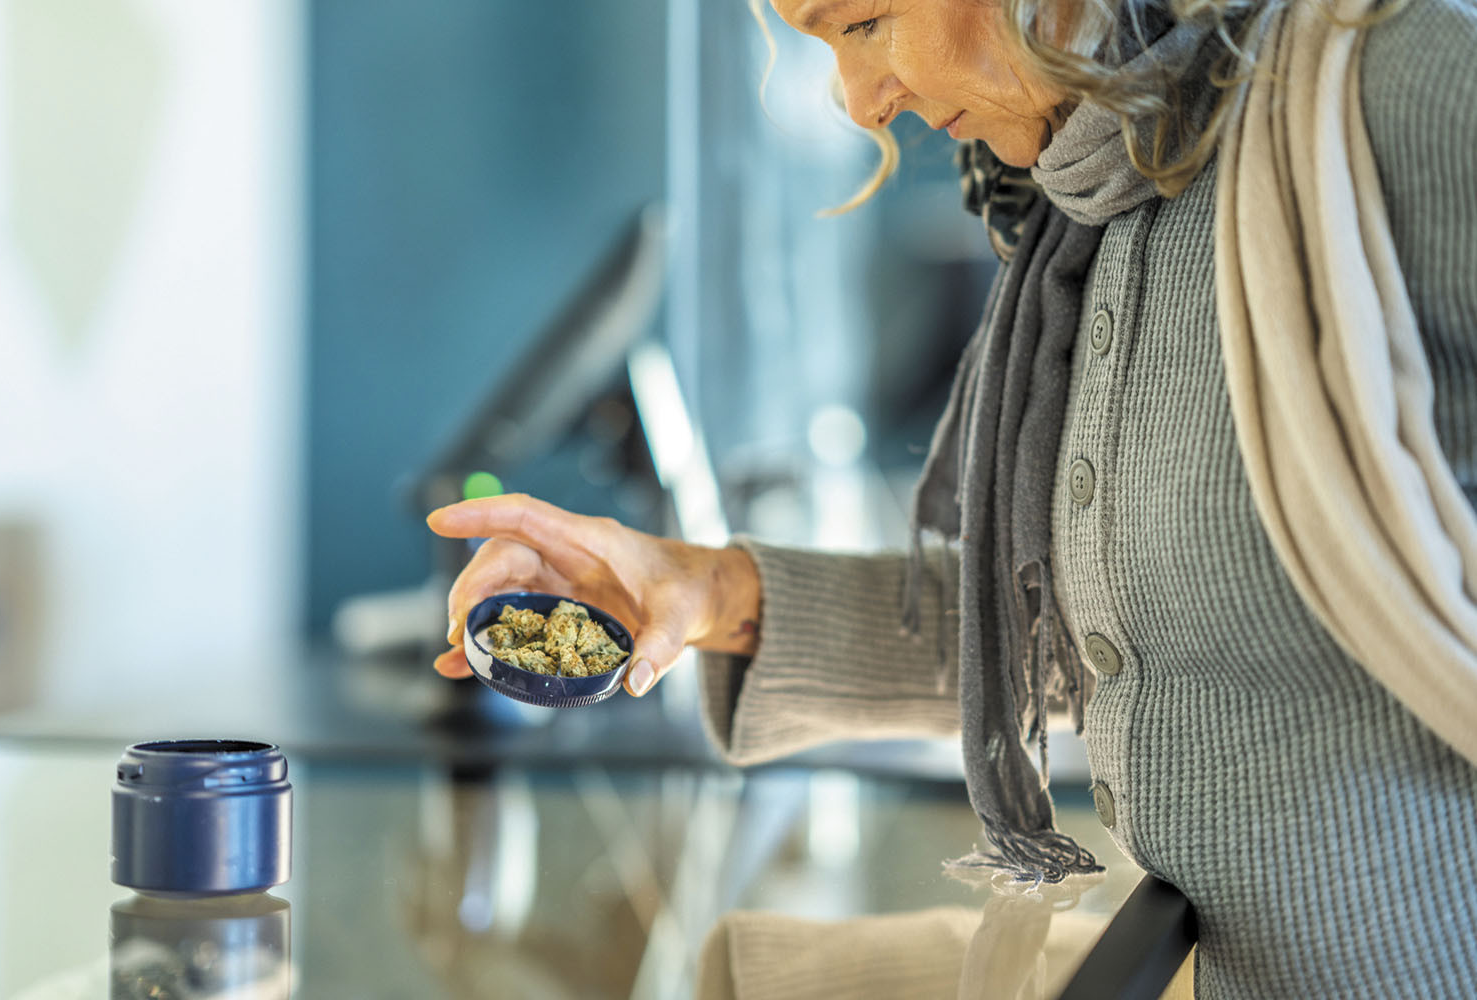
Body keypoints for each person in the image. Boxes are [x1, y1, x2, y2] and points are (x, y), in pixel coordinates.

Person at [427, 0, 1477, 994]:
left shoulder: (1403, 80)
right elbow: (1087, 638)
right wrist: (706, 590)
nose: (856, 99)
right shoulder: (1093, 200)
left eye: (867, 23)